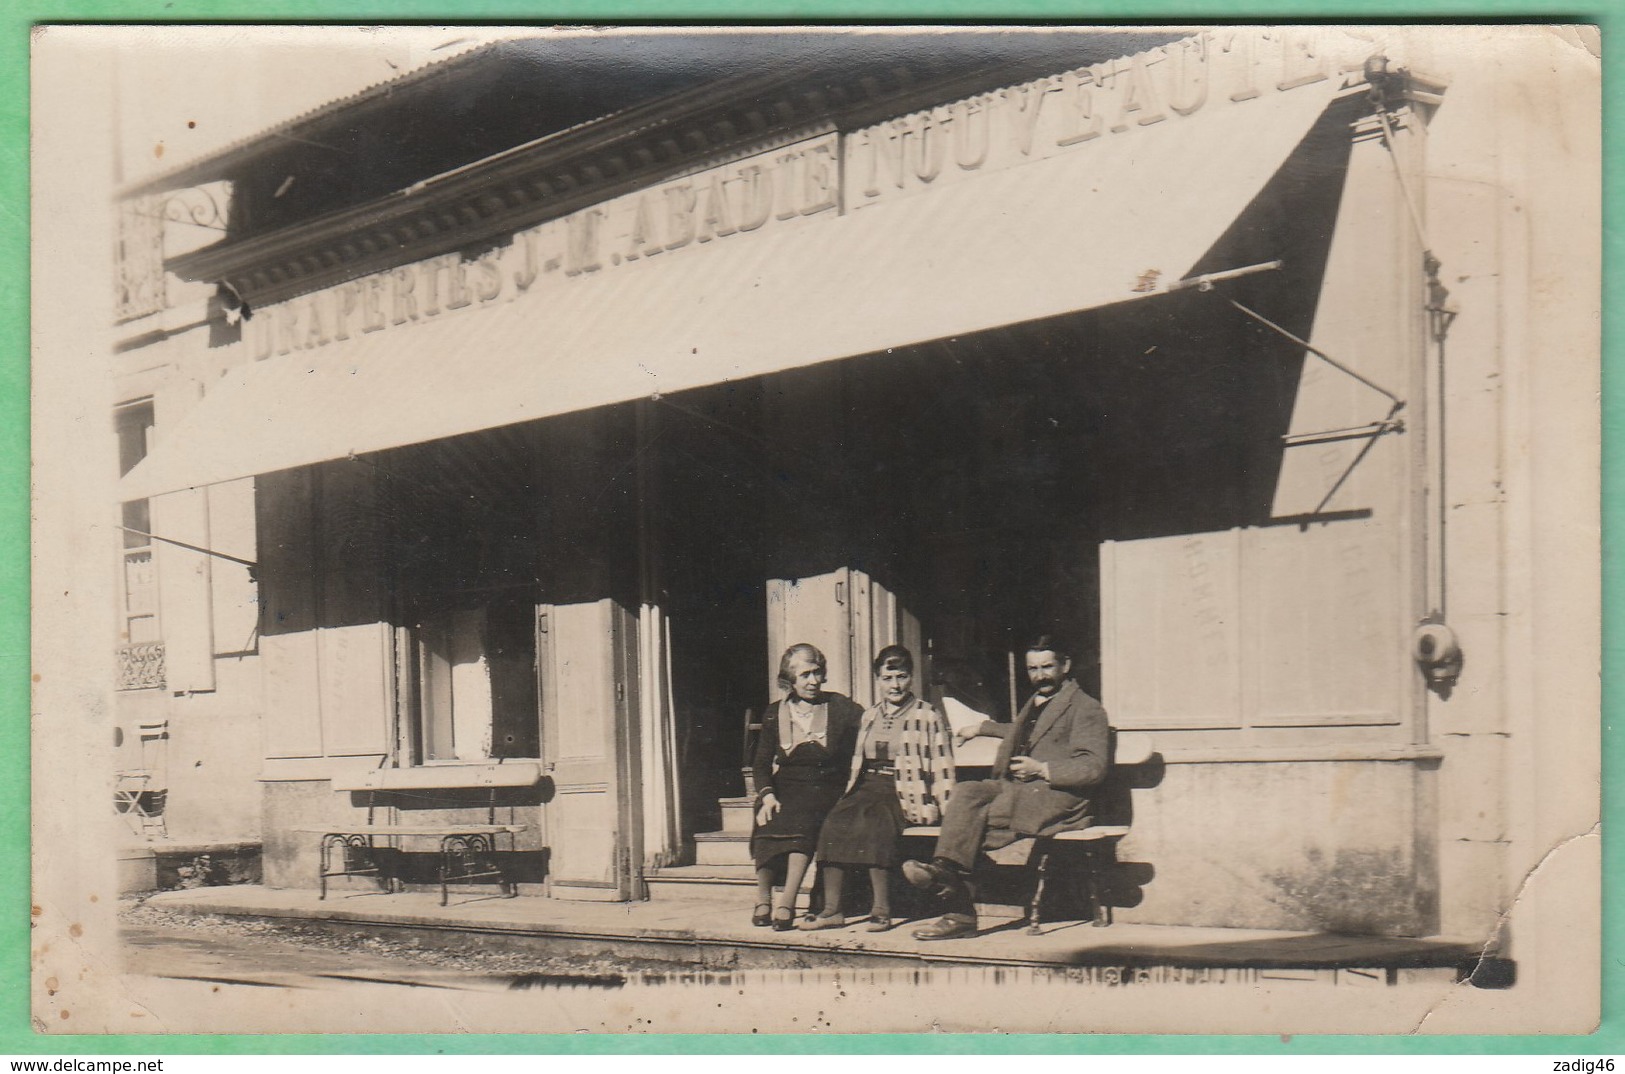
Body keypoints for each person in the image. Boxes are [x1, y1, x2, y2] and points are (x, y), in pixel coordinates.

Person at [902, 634, 1109, 940]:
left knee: (971, 823)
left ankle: (956, 907)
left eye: (1047, 667)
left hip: (1058, 796)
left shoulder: (1087, 708)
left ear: (1065, 666)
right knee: (967, 792)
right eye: (1033, 669)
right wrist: (982, 728)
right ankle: (944, 870)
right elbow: (1025, 730)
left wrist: (1042, 769)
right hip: (1018, 789)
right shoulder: (1039, 702)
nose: (1040, 676)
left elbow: (1093, 767)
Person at [799, 645, 956, 933]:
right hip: (867, 785)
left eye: (901, 676)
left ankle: (882, 910)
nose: (895, 685)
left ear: (911, 678)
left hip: (904, 789)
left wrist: (945, 810)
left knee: (876, 825)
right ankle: (832, 910)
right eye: (887, 678)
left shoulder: (927, 715)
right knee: (834, 824)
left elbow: (942, 765)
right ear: (877, 680)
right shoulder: (869, 716)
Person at [750, 643, 863, 931]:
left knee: (803, 820)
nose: (813, 681)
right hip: (785, 785)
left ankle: (787, 902)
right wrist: (767, 795)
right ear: (790, 680)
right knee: (765, 817)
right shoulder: (775, 712)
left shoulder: (840, 707)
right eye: (805, 675)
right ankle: (763, 900)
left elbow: (871, 727)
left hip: (824, 786)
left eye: (817, 673)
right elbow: (761, 763)